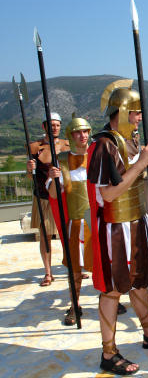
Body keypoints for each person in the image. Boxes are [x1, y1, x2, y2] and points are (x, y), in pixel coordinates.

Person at [88, 80, 148, 375]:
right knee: (113, 290)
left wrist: (146, 164)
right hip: (116, 228)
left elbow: (135, 178)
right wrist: (140, 164)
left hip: (137, 221)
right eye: (137, 112)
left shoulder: (130, 142)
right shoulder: (104, 145)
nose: (140, 118)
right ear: (123, 111)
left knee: (139, 281)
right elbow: (108, 194)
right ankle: (108, 353)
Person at [47, 115, 94, 325]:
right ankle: (75, 305)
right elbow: (53, 194)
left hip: (98, 220)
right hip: (76, 222)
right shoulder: (62, 161)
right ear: (70, 136)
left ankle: (109, 298)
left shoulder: (97, 156)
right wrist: (53, 178)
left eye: (85, 131)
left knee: (103, 264)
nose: (82, 136)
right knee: (75, 268)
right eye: (77, 132)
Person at [26, 112, 70, 287]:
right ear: (44, 126)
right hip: (43, 197)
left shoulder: (67, 145)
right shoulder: (35, 148)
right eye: (51, 125)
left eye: (57, 125)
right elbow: (31, 176)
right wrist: (30, 169)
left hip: (65, 196)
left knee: (68, 234)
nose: (55, 128)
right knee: (45, 235)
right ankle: (48, 272)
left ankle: (74, 267)